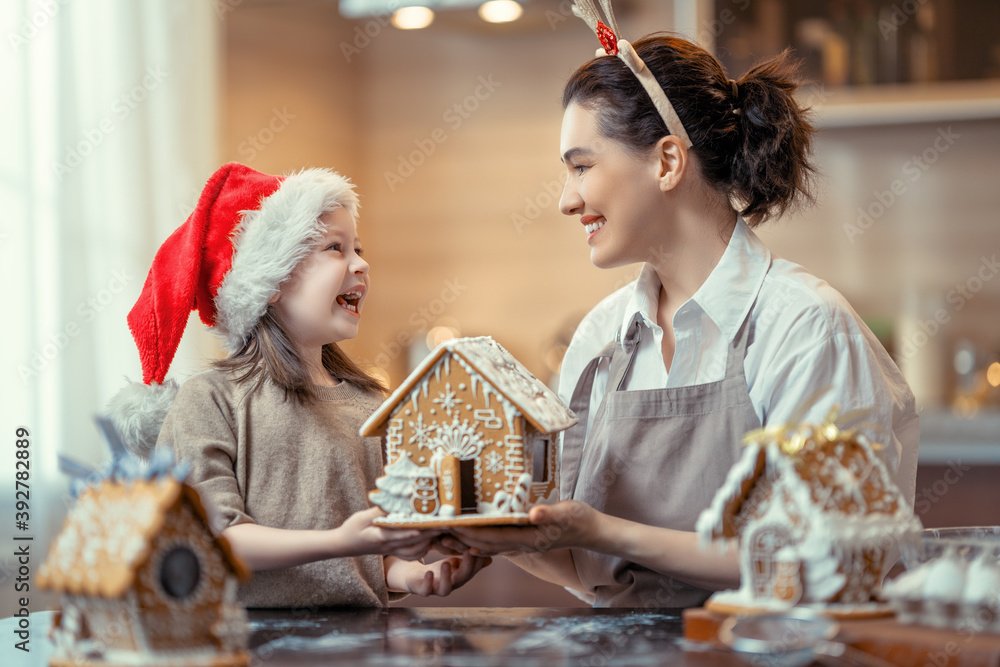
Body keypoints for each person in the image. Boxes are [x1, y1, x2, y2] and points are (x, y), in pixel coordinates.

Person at [450, 17, 918, 607]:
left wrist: (604, 530)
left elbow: (827, 559)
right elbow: (581, 564)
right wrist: (502, 532)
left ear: (668, 161)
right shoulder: (599, 340)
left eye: (582, 166)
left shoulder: (804, 328)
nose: (567, 199)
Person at [109, 162, 489, 608]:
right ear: (271, 281)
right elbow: (212, 539)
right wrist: (337, 541)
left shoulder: (370, 403)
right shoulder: (210, 401)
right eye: (336, 248)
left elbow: (371, 551)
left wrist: (414, 573)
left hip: (358, 648)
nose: (362, 263)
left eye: (359, 248)